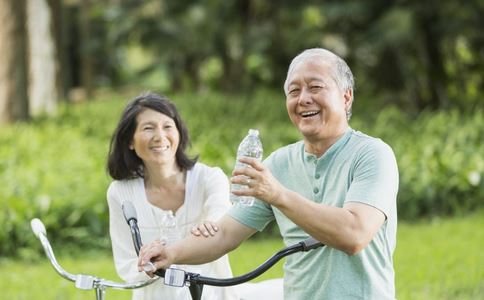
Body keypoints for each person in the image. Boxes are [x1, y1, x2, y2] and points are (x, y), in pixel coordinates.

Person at [139, 48, 399, 299]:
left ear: (346, 97)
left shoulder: (373, 155)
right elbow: (225, 234)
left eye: (315, 87)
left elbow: (354, 234)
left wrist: (278, 195)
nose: (303, 98)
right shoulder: (279, 164)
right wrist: (171, 253)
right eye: (294, 91)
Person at [106, 92, 238, 300]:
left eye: (167, 126)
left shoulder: (211, 179)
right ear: (130, 141)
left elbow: (220, 224)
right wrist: (148, 262)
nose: (160, 136)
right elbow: (126, 263)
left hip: (210, 294)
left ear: (179, 133)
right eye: (148, 128)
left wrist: (176, 251)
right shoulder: (120, 192)